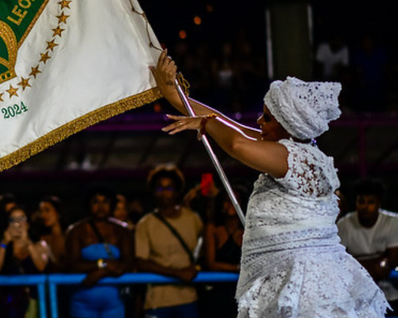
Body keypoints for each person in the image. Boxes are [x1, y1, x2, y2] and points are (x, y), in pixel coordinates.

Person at [152, 49, 388, 317]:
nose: (259, 121)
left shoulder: (294, 156)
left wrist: (204, 124)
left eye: (267, 117)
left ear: (288, 125)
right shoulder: (291, 147)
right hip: (286, 275)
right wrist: (175, 96)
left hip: (307, 286)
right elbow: (232, 126)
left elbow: (237, 143)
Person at [135, 164, 202, 318]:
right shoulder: (145, 224)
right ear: (153, 191)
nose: (164, 193)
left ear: (177, 191)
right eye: (159, 188)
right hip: (157, 300)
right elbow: (141, 262)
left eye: (169, 188)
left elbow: (203, 249)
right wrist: (177, 273)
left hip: (188, 298)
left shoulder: (192, 218)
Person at [66, 185, 134, 318]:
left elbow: (128, 263)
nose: (101, 207)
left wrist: (102, 272)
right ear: (88, 204)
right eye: (95, 202)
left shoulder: (122, 231)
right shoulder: (76, 231)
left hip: (115, 303)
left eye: (105, 201)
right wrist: (103, 264)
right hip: (82, 303)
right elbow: (72, 265)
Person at [337, 178, 398, 309]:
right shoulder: (344, 224)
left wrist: (359, 265)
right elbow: (340, 262)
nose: (365, 206)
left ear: (379, 204)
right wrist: (376, 265)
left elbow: (391, 261)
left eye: (370, 202)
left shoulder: (392, 222)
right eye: (361, 201)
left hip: (384, 280)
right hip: (354, 279)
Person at [0, 206, 50, 318]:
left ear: (28, 223)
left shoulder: (39, 244)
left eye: (21, 219)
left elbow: (41, 266)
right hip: (8, 304)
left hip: (34, 304)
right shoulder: (0, 245)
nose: (17, 224)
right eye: (13, 220)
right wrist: (4, 242)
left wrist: (28, 243)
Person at [201, 184, 248, 318]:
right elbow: (211, 263)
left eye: (235, 199)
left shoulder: (247, 229)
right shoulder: (213, 229)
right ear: (221, 204)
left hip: (243, 289)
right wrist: (238, 268)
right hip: (218, 290)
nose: (231, 203)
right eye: (227, 200)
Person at [36, 195, 66, 271]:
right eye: (41, 211)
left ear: (58, 212)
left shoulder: (69, 236)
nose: (43, 215)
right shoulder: (41, 239)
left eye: (47, 210)